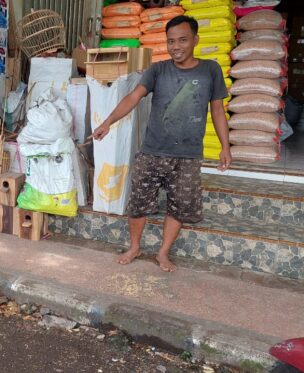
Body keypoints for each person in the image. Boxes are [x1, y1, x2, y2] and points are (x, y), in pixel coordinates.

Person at [90, 16, 232, 272]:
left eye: (182, 40)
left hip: (187, 155)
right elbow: (133, 96)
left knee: (178, 206)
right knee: (138, 203)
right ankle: (135, 246)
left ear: (195, 40)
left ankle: (163, 253)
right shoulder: (157, 70)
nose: (176, 46)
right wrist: (107, 121)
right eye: (171, 41)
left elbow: (218, 111)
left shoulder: (211, 70)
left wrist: (225, 146)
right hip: (152, 151)